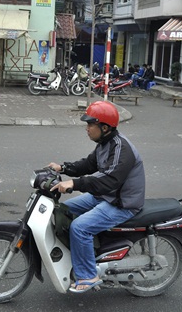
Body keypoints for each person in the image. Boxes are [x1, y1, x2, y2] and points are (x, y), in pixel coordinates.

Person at [48, 101, 146, 294]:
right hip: (105, 197)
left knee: (80, 227)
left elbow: (109, 181)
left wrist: (74, 184)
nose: (87, 128)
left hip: (121, 203)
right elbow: (89, 164)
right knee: (65, 211)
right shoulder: (104, 144)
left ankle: (88, 275)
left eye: (90, 124)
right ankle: (83, 253)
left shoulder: (121, 149)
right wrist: (63, 168)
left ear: (104, 127)